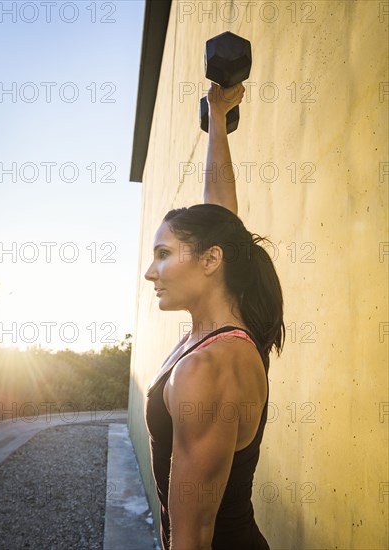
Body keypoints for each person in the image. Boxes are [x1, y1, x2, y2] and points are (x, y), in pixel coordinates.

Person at [144, 81, 285, 550]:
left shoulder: (210, 366)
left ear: (209, 261)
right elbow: (221, 217)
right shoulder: (221, 337)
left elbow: (193, 538)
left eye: (163, 253)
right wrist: (217, 119)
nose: (150, 271)